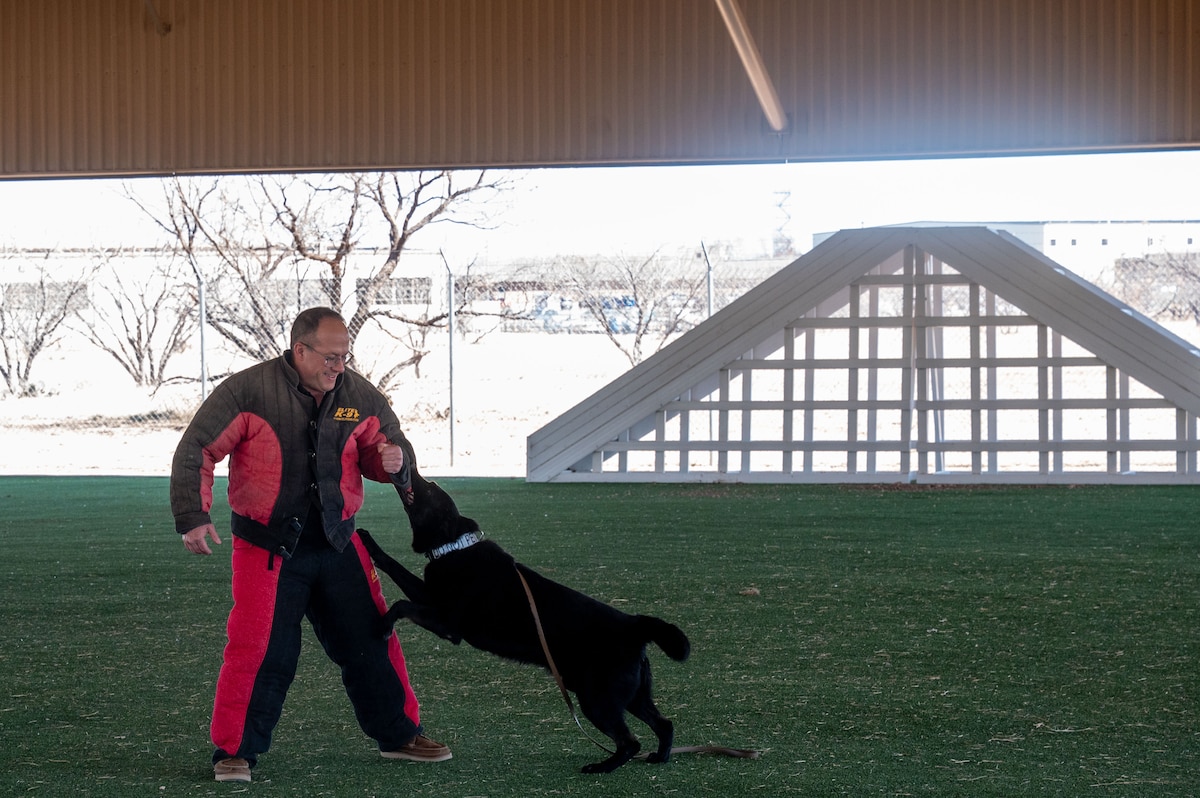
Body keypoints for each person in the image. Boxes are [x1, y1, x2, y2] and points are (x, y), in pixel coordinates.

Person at [170, 306, 450, 783]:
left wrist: (392, 461)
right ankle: (235, 752)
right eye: (330, 356)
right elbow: (198, 448)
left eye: (344, 356)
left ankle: (399, 734)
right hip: (267, 549)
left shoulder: (359, 396)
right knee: (261, 650)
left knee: (372, 639)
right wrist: (193, 517)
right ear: (300, 350)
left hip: (339, 542)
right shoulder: (246, 390)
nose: (339, 366)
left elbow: (384, 453)